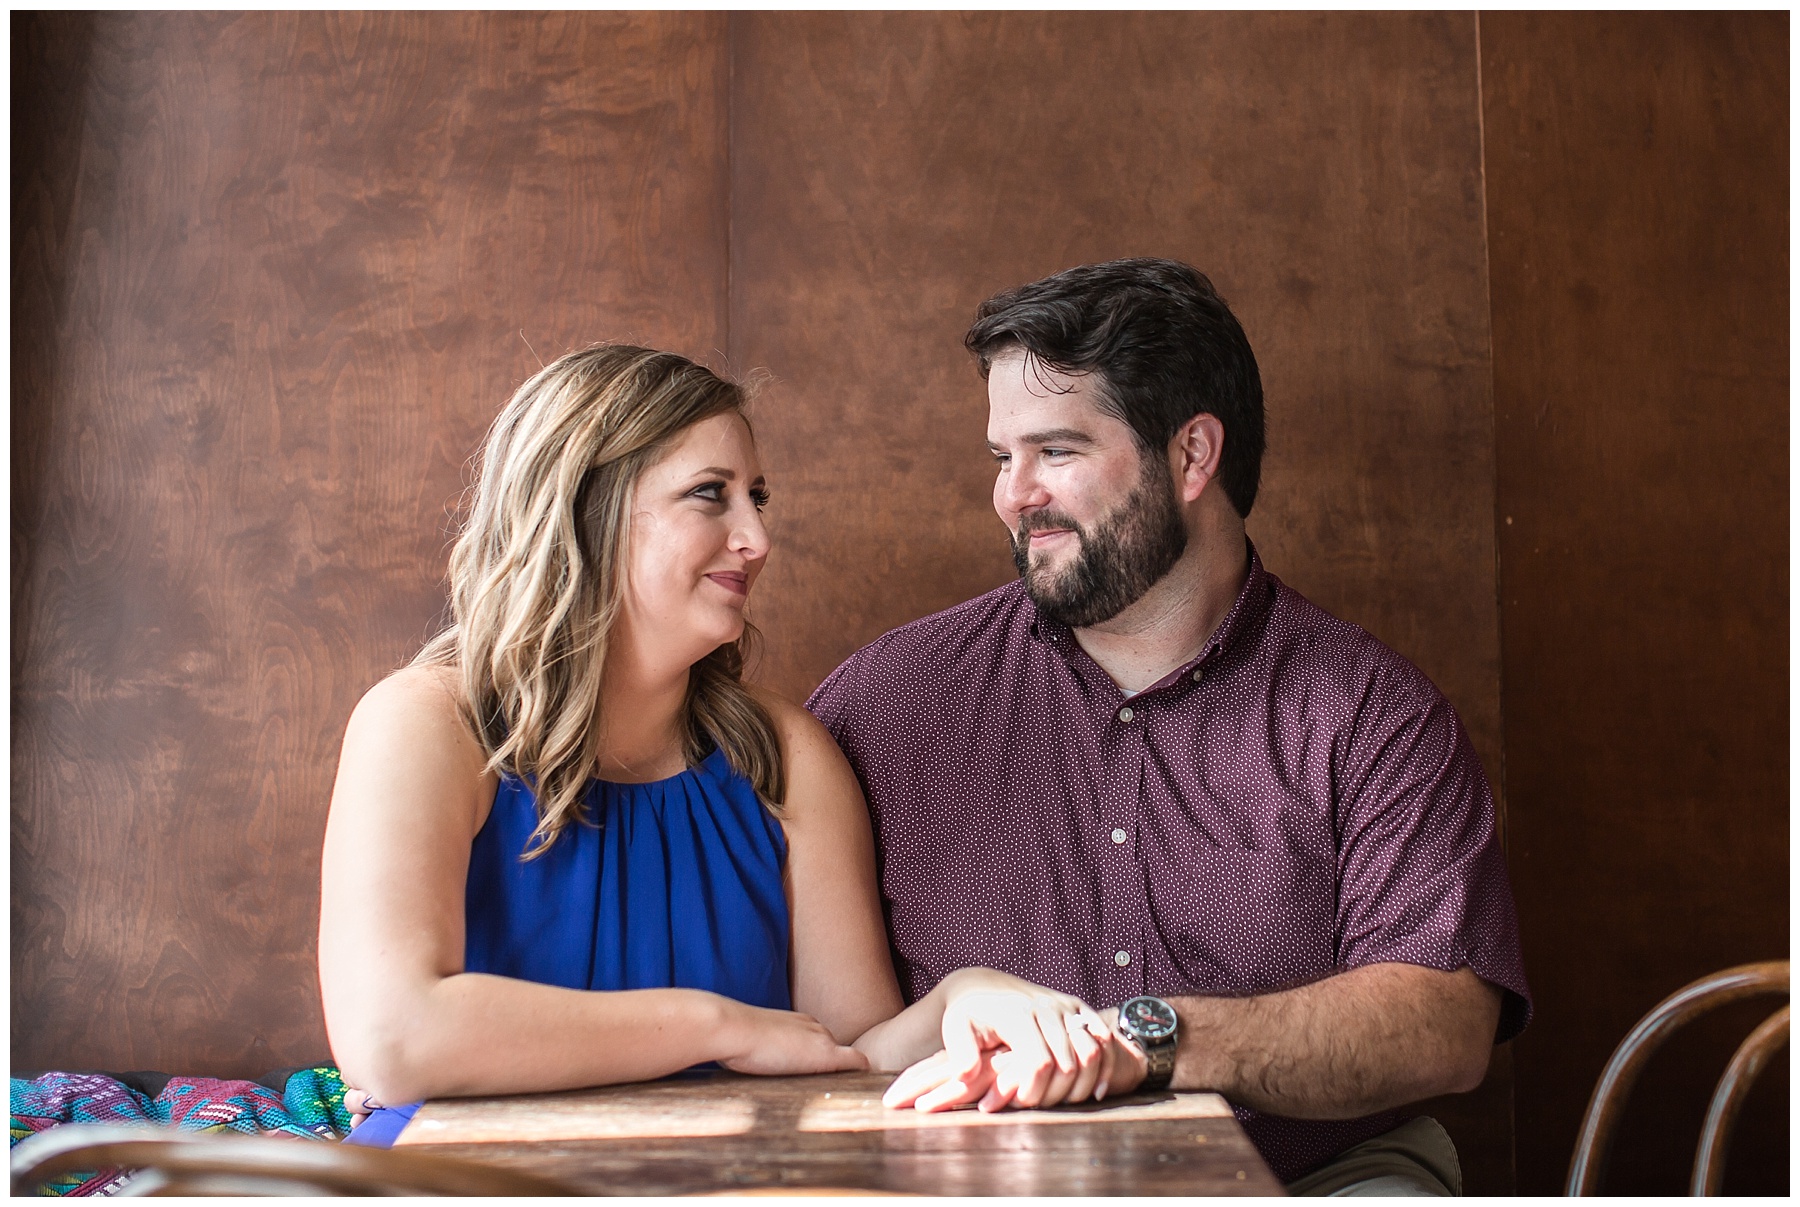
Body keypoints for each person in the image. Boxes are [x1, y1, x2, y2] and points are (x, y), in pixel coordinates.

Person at [807, 258, 1531, 1195]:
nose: (1013, 495)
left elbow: (1444, 1022)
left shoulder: (1372, 714)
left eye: (1056, 452)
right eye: (1002, 457)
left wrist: (1151, 1042)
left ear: (1192, 455)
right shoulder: (888, 701)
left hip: (1311, 1177)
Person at [317, 346, 1115, 1145]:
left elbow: (847, 1064)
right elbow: (392, 1038)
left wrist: (959, 1001)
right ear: (584, 508)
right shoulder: (425, 726)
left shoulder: (786, 757)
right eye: (711, 496)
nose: (757, 538)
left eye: (757, 498)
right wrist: (719, 1026)